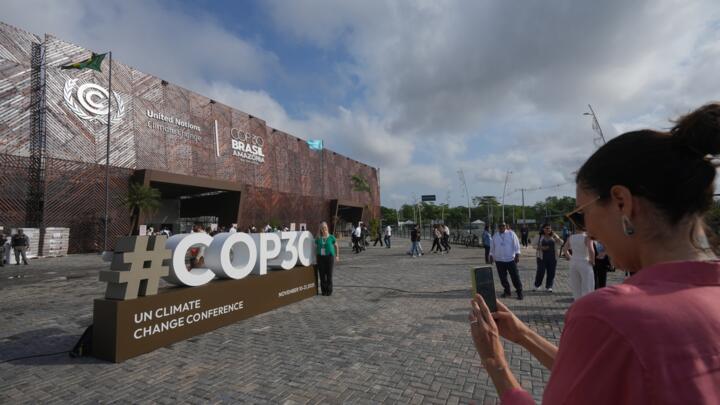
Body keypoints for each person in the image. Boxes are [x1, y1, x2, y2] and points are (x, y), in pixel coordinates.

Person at [468, 103, 720, 404]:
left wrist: (495, 363)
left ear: (621, 202)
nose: (588, 230)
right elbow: (598, 377)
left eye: (582, 214)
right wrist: (524, 335)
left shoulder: (609, 316)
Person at [489, 222, 522, 300]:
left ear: (506, 226)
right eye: (500, 226)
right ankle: (507, 291)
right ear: (498, 227)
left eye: (503, 226)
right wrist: (491, 255)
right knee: (503, 278)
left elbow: (516, 244)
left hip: (510, 259)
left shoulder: (511, 234)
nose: (502, 227)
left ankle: (519, 292)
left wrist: (517, 255)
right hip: (499, 260)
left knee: (515, 276)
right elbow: (492, 246)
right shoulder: (495, 235)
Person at [561, 228, 595, 300]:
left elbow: (564, 249)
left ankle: (578, 303)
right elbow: (591, 250)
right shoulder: (587, 237)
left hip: (574, 262)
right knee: (587, 285)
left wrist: (570, 258)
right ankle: (587, 304)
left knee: (576, 286)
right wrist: (592, 261)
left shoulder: (571, 237)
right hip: (584, 261)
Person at [532, 224, 564, 292]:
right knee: (541, 271)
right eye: (546, 228)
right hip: (541, 257)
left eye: (549, 228)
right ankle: (537, 285)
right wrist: (541, 248)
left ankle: (549, 286)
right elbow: (533, 245)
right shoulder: (539, 236)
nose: (548, 230)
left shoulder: (554, 235)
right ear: (543, 229)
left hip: (552, 257)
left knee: (551, 272)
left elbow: (561, 243)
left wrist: (556, 238)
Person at [315, 222, 339, 296]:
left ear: (327, 228)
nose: (324, 229)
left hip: (329, 258)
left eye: (325, 227)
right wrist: (315, 258)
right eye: (322, 228)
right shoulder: (318, 238)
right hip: (320, 258)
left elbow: (336, 246)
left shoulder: (331, 237)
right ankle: (324, 291)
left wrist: (337, 256)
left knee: (329, 275)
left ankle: (329, 290)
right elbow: (315, 248)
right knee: (322, 275)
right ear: (320, 229)